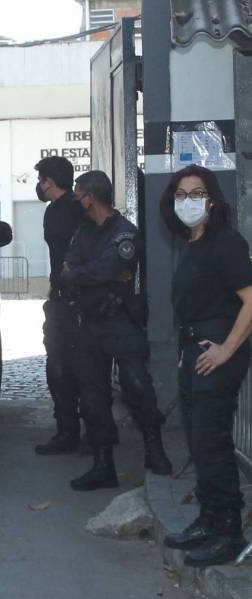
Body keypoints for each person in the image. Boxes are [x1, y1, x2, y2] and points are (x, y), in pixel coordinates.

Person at [159, 165, 252, 567]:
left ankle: (229, 531)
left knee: (212, 443)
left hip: (217, 354)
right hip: (194, 353)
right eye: (181, 195)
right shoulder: (192, 243)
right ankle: (209, 519)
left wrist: (226, 350)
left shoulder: (226, 243)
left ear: (212, 200)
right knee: (198, 442)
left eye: (196, 194)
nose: (188, 202)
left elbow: (251, 300)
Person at [60, 170, 172, 491]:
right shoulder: (82, 233)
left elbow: (109, 268)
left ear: (91, 196)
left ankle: (155, 450)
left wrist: (82, 273)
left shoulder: (125, 233)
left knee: (138, 385)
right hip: (88, 323)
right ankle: (103, 464)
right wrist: (85, 274)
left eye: (78, 194)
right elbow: (67, 272)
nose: (76, 200)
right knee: (92, 397)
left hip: (119, 320)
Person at [33, 156, 90, 455]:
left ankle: (69, 431)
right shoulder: (76, 208)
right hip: (72, 297)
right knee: (74, 366)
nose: (39, 186)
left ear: (49, 182)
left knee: (60, 366)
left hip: (70, 300)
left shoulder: (62, 210)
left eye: (41, 180)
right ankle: (86, 432)